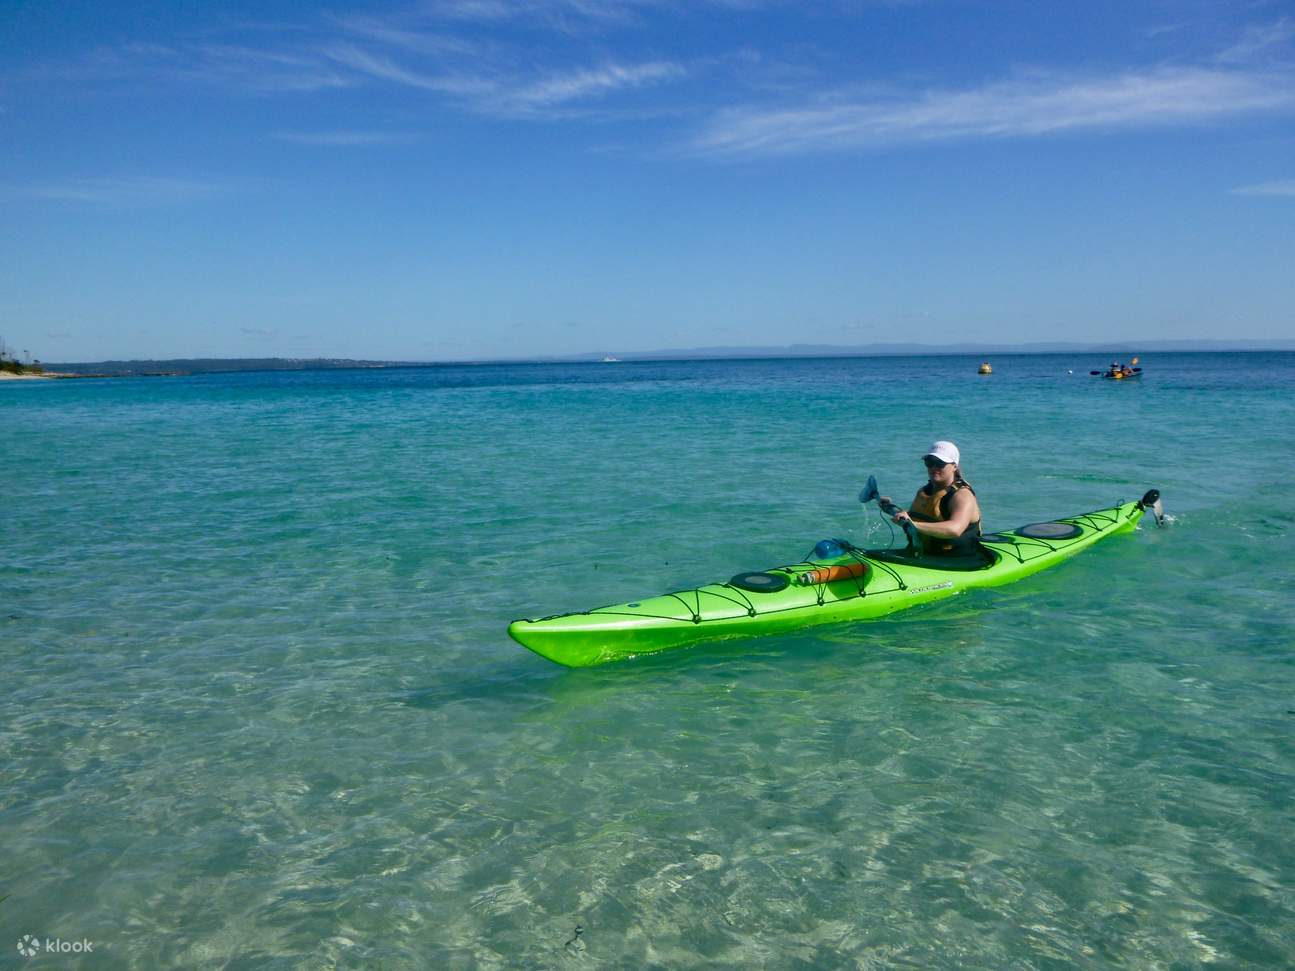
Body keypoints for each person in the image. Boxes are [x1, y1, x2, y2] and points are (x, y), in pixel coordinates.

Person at [884, 441, 983, 556]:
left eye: (940, 463)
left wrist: (913, 525)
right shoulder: (925, 491)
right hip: (923, 554)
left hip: (959, 560)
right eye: (930, 462)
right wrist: (889, 508)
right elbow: (917, 516)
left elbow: (955, 529)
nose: (934, 467)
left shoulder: (963, 495)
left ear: (954, 466)